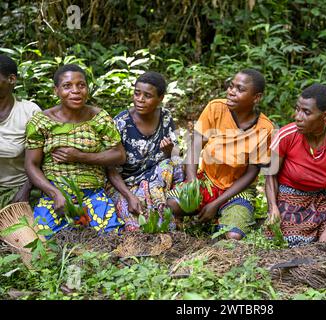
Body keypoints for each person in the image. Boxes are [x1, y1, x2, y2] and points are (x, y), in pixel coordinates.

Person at [167, 68, 274, 240]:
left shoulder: (264, 128)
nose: (231, 92)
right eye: (231, 86)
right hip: (207, 180)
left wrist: (216, 204)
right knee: (172, 205)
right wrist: (193, 180)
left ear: (256, 97)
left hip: (237, 189)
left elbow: (252, 172)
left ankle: (218, 217)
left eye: (240, 89)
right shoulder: (216, 108)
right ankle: (204, 216)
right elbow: (194, 145)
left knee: (232, 236)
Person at [25, 64, 125, 236]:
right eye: (67, 86)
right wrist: (54, 193)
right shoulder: (41, 122)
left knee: (111, 236)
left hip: (93, 194)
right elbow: (31, 165)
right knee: (42, 239)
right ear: (56, 90)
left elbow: (119, 155)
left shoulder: (99, 118)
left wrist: (80, 156)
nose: (76, 90)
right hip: (54, 196)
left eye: (81, 85)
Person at [265, 84, 326, 247]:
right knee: (291, 240)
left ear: (325, 115)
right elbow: (269, 173)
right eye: (298, 109)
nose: (298, 117)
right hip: (289, 194)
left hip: (321, 196)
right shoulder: (287, 135)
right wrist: (273, 207)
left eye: (306, 112)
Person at [106, 71, 184, 232]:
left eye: (147, 95)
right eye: (137, 93)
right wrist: (129, 196)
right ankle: (155, 208)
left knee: (175, 163)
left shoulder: (165, 117)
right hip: (124, 184)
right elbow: (110, 170)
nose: (140, 99)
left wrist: (169, 151)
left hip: (154, 180)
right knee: (137, 224)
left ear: (160, 98)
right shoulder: (121, 123)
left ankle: (173, 210)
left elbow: (173, 157)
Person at [0, 54, 41, 209]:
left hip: (19, 189)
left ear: (11, 79)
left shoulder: (29, 112)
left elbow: (43, 160)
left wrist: (26, 190)